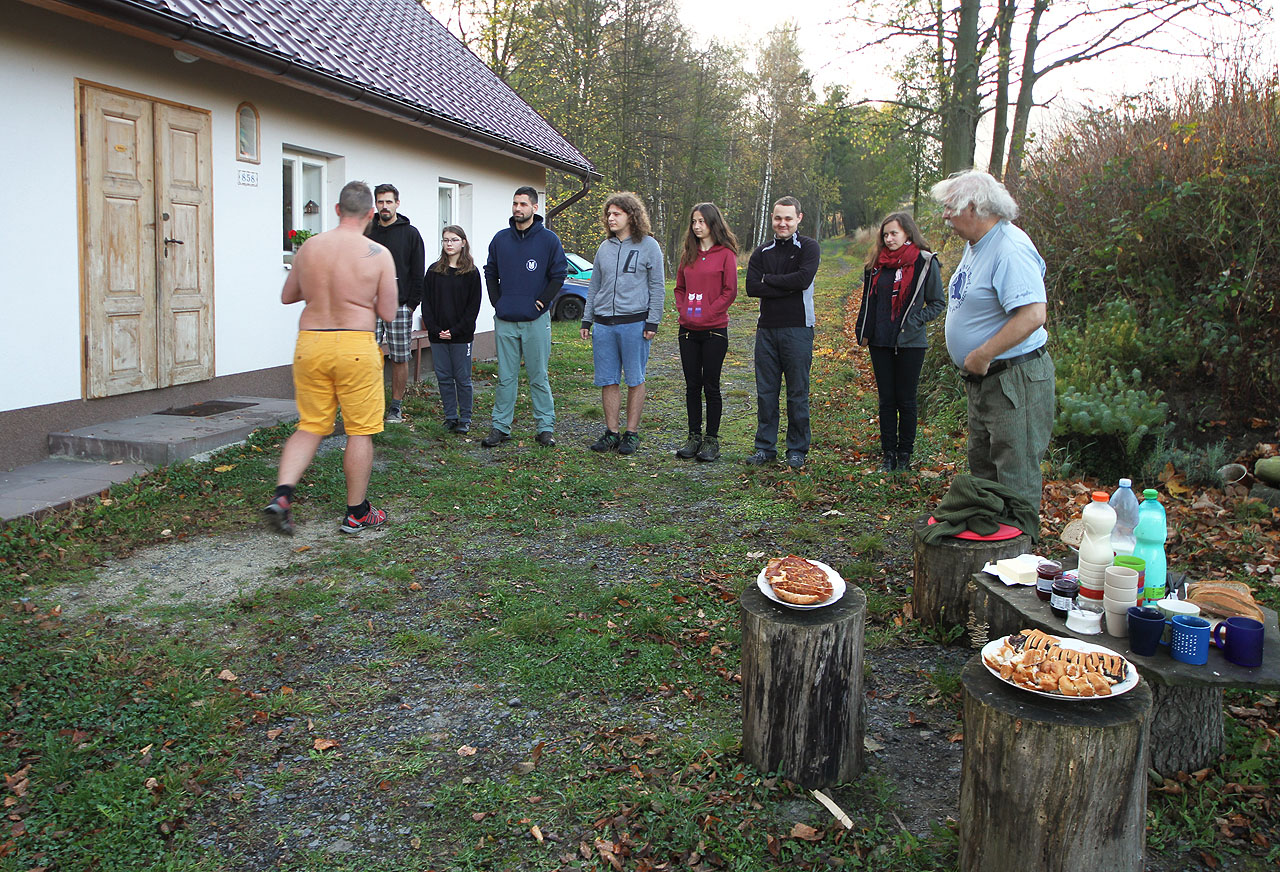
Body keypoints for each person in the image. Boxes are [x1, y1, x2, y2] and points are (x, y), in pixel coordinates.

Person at [263, 180, 398, 535]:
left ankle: (282, 495)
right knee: (360, 430)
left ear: (338, 210)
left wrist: (323, 289)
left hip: (311, 343)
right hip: (355, 345)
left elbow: (288, 295)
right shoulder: (378, 254)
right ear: (371, 214)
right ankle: (356, 513)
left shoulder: (310, 247)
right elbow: (388, 312)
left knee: (310, 425)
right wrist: (362, 295)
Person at [930, 170, 1054, 512]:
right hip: (987, 382)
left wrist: (983, 353)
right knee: (985, 472)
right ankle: (992, 542)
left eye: (951, 207)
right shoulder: (978, 245)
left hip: (1014, 380)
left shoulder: (1010, 248)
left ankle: (1020, 544)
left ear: (975, 207)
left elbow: (1033, 314)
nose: (945, 215)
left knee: (1015, 477)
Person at [854, 212, 945, 473]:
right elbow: (868, 301)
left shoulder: (924, 262)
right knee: (886, 400)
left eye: (894, 233)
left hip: (910, 342)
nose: (889, 239)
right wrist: (864, 330)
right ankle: (888, 454)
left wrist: (916, 319)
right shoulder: (876, 264)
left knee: (906, 400)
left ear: (907, 233)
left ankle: (905, 454)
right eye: (885, 235)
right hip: (880, 340)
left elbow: (938, 302)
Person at [482, 186, 568, 448]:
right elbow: (490, 271)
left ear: (534, 207)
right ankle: (500, 426)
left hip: (535, 320)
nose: (518, 208)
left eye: (523, 204)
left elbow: (558, 275)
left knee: (538, 376)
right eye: (515, 203)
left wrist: (541, 302)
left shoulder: (548, 240)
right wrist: (498, 302)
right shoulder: (500, 239)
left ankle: (545, 428)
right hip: (506, 320)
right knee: (505, 377)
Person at [581, 193, 665, 455]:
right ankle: (611, 432)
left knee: (635, 378)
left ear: (631, 216)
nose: (611, 218)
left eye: (617, 214)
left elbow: (657, 287)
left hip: (635, 323)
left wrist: (653, 321)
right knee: (608, 379)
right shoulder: (604, 248)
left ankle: (631, 433)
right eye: (609, 214)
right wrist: (587, 318)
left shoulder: (649, 246)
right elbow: (594, 286)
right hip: (604, 324)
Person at [745, 196, 821, 469]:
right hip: (766, 330)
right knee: (766, 393)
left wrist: (769, 280)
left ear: (799, 218)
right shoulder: (762, 252)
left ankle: (797, 449)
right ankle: (765, 447)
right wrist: (785, 286)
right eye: (778, 218)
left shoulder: (808, 247)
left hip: (798, 329)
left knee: (797, 393)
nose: (783, 223)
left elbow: (803, 280)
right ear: (772, 219)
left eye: (788, 218)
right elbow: (752, 287)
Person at [674, 202, 739, 463]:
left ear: (713, 223)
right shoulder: (688, 254)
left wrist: (710, 312)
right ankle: (693, 436)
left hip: (714, 331)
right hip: (688, 331)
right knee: (692, 385)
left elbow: (729, 291)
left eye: (701, 221)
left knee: (711, 385)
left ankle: (711, 439)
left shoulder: (726, 254)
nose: (697, 226)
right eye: (694, 221)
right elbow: (680, 288)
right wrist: (683, 310)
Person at [366, 184, 426, 424]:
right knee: (366, 356)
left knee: (399, 357)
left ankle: (395, 407)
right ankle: (369, 404)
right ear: (375, 204)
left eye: (389, 202)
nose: (384, 207)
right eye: (380, 202)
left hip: (399, 306)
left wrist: (411, 305)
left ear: (397, 204)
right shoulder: (367, 231)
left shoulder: (410, 233)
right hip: (369, 305)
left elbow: (418, 272)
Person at [422, 225, 482, 433]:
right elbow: (426, 303)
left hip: (461, 336)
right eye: (446, 240)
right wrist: (435, 328)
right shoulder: (433, 271)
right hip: (437, 335)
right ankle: (450, 417)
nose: (449, 244)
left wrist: (455, 331)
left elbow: (473, 308)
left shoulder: (471, 273)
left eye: (454, 240)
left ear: (463, 243)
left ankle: (465, 418)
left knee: (462, 378)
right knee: (444, 377)